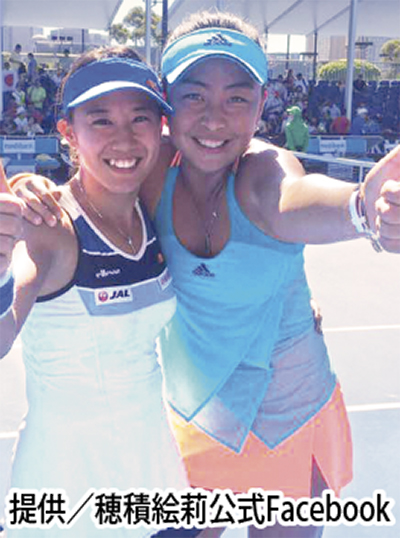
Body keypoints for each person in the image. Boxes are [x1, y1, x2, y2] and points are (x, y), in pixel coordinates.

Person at [9, 11, 400, 538]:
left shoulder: (265, 168)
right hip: (197, 414)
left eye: (237, 98)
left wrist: (361, 209)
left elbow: (288, 200)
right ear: (167, 105)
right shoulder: (148, 172)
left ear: (262, 104)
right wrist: (31, 190)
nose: (215, 119)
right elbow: (87, 184)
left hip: (290, 410)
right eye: (194, 96)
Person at [0, 46, 188, 537]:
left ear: (161, 127)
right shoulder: (50, 227)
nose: (124, 138)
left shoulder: (152, 204)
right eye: (101, 120)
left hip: (156, 478)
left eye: (140, 118)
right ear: (68, 132)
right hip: (67, 496)